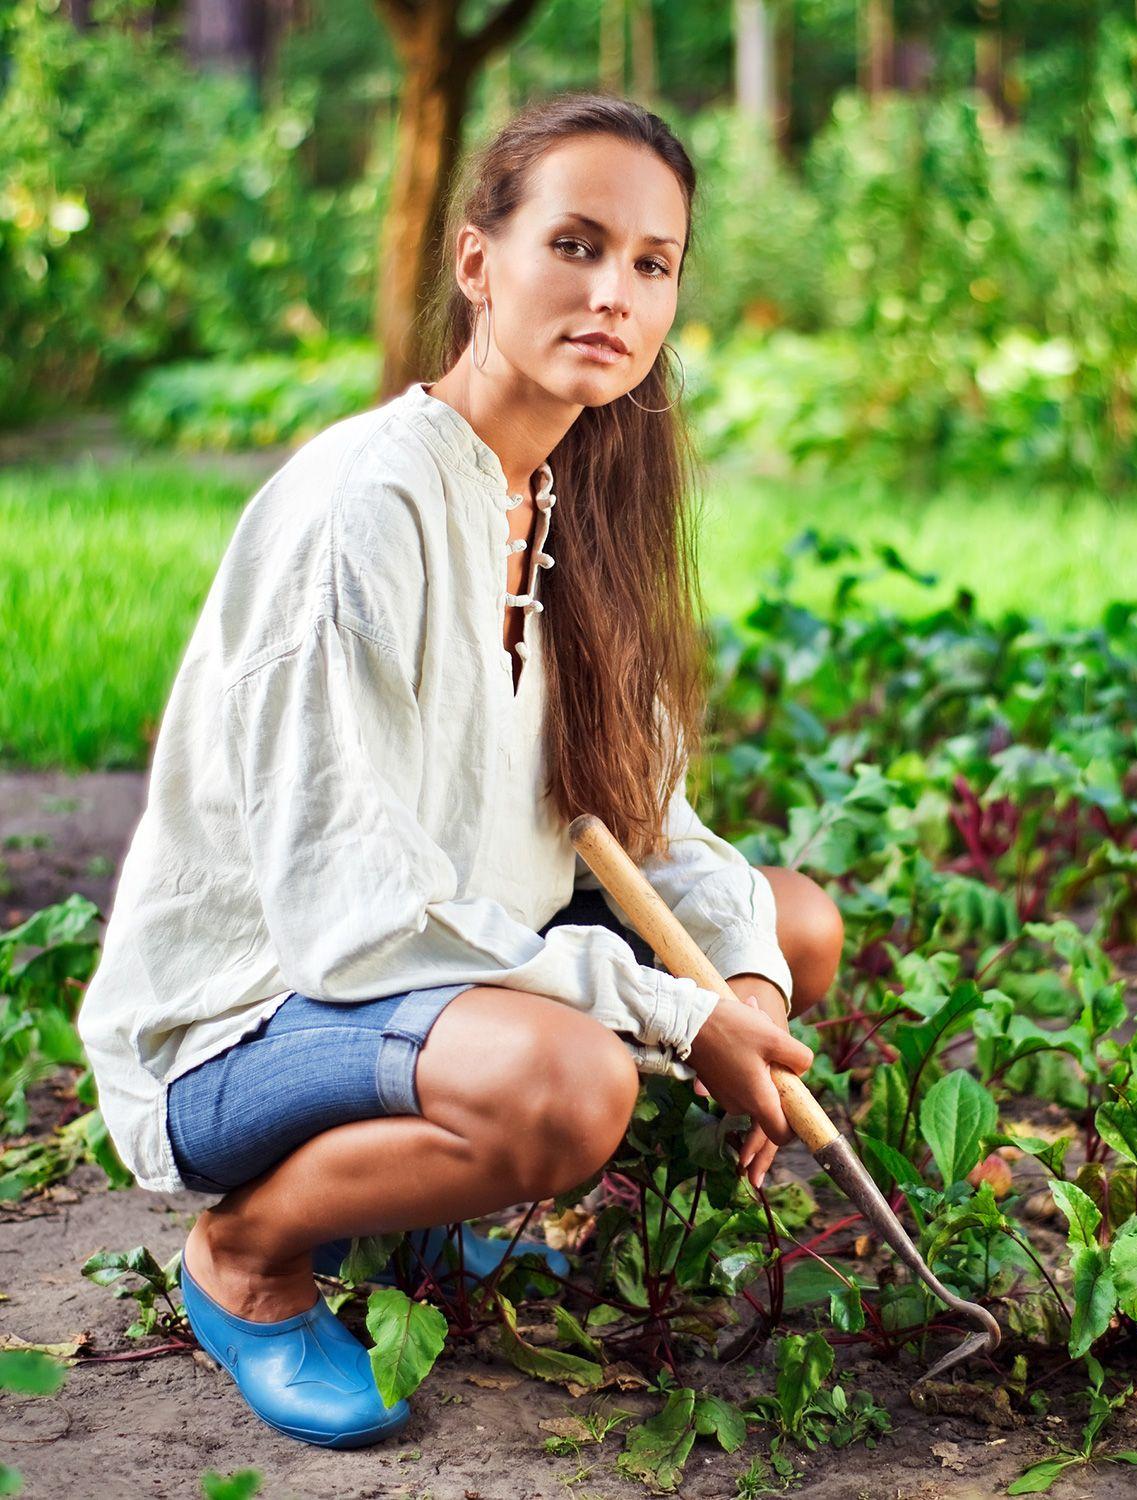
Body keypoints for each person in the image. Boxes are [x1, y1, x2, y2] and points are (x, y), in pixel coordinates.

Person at [76, 91, 841, 1451]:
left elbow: (640, 820)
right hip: (262, 1011)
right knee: (576, 1084)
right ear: (479, 262)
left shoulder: (565, 491)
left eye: (652, 264)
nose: (615, 292)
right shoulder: (368, 505)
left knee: (788, 925)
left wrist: (738, 985)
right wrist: (669, 1019)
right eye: (577, 244)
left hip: (429, 977)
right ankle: (247, 1261)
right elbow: (353, 914)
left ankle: (425, 1227)